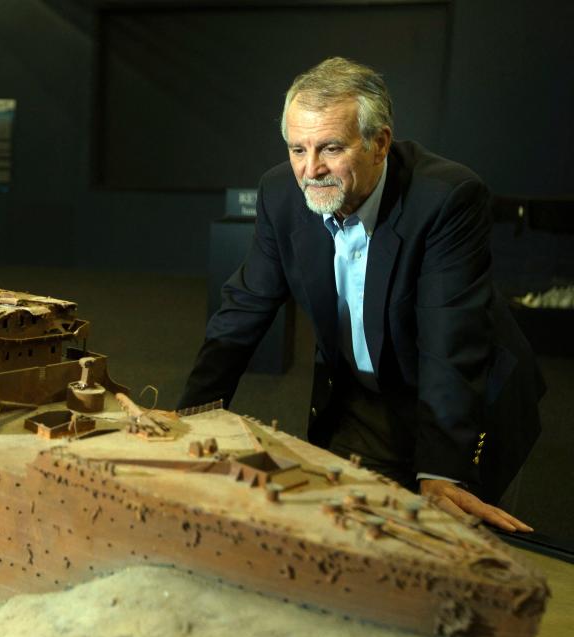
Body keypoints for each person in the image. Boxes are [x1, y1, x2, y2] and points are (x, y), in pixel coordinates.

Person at [179, 57, 544, 532]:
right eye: (297, 149)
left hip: (459, 398)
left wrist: (439, 472)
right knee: (346, 532)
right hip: (363, 397)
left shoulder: (447, 198)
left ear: (380, 143)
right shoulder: (281, 194)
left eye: (330, 148)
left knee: (450, 546)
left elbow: (450, 342)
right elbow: (245, 308)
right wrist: (187, 418)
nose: (310, 169)